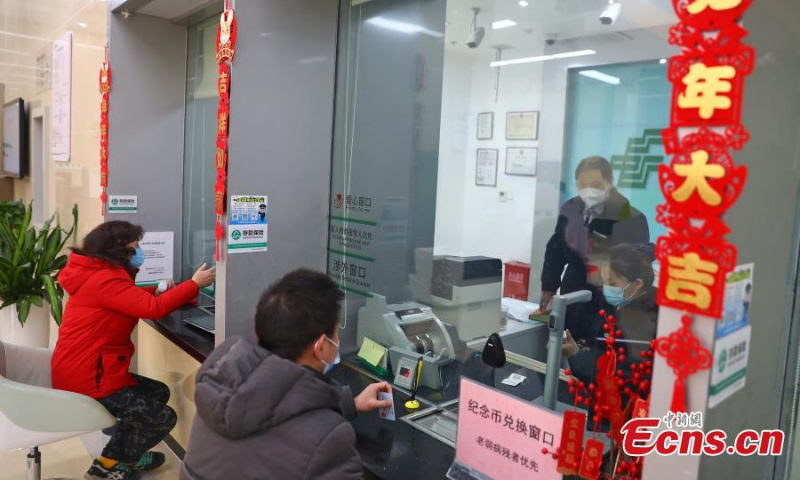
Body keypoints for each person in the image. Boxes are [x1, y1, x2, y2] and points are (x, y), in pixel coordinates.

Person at [182, 269, 392, 480]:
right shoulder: (330, 440)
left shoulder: (221, 389)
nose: (337, 343)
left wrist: (349, 403)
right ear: (320, 347)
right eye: (336, 334)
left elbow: (273, 402)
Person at [51, 221, 216, 480]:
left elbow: (128, 298)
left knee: (157, 392)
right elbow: (152, 309)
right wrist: (194, 284)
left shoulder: (99, 274)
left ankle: (111, 459)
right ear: (118, 250)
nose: (140, 252)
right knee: (162, 418)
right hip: (90, 378)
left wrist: (159, 290)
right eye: (135, 247)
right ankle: (113, 465)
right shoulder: (105, 279)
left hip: (90, 369)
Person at [536, 156, 650, 343]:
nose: (588, 190)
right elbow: (556, 248)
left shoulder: (631, 217)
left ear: (610, 182)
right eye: (582, 184)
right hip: (572, 290)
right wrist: (549, 285)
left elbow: (638, 265)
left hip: (606, 296)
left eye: (596, 184)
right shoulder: (570, 208)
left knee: (595, 356)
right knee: (565, 349)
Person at [563, 243, 658, 384]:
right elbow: (605, 349)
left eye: (612, 284)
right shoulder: (615, 305)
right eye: (604, 282)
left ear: (637, 284)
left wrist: (576, 356)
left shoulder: (643, 319)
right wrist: (591, 350)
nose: (606, 289)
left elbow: (620, 377)